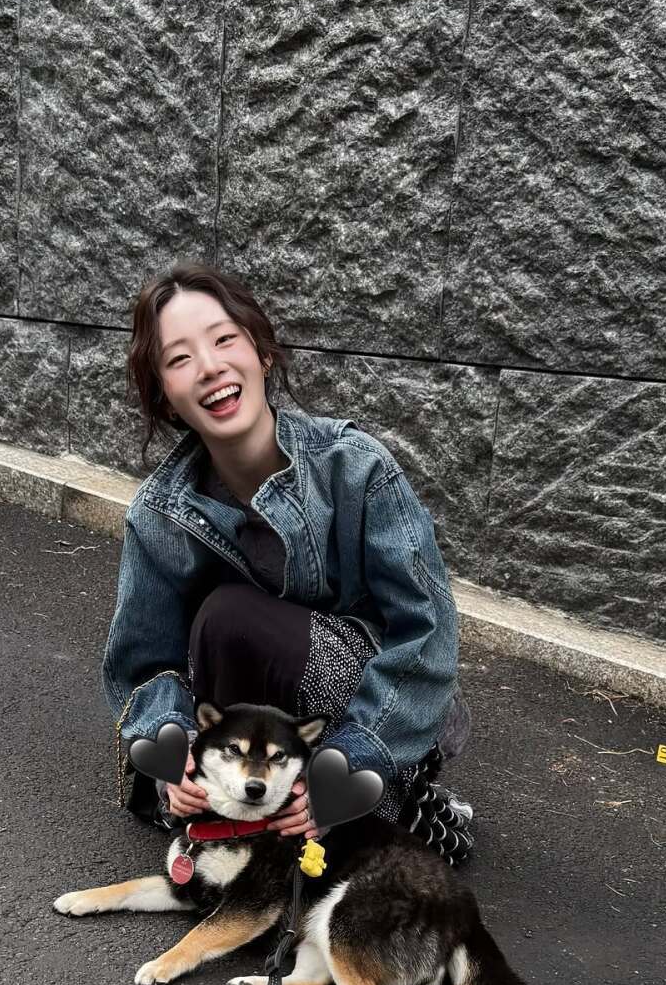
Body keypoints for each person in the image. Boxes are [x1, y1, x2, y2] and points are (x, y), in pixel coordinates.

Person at [103, 263, 474, 863]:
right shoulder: (160, 512)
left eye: (224, 339)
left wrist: (353, 762)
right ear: (164, 395)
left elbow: (425, 632)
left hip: (373, 705)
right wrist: (175, 753)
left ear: (262, 351)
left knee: (233, 618)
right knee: (220, 630)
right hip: (251, 743)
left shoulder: (355, 467)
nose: (209, 367)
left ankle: (386, 798)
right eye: (179, 359)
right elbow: (145, 663)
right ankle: (262, 833)